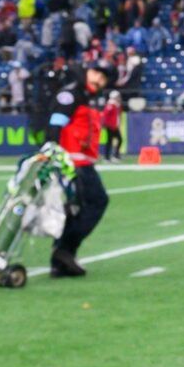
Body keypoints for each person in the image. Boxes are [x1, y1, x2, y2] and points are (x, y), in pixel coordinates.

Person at [49, 63, 111, 278]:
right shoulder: (72, 93)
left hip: (79, 162)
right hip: (73, 163)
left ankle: (61, 260)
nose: (99, 80)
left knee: (74, 209)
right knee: (97, 201)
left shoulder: (84, 95)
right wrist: (54, 157)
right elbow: (55, 124)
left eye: (103, 78)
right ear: (87, 72)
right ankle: (65, 249)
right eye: (96, 73)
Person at [101, 90, 124, 162]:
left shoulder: (116, 105)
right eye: (118, 96)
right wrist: (104, 124)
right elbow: (105, 115)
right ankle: (107, 157)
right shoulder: (110, 105)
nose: (119, 98)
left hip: (114, 126)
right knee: (110, 141)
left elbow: (117, 116)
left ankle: (115, 155)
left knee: (119, 140)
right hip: (110, 126)